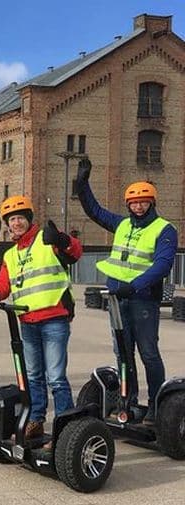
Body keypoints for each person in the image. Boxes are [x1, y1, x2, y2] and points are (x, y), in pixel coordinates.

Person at [75, 158, 177, 425]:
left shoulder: (164, 229)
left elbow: (164, 264)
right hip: (117, 299)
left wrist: (137, 285)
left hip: (143, 300)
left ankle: (156, 406)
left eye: (143, 201)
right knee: (122, 354)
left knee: (148, 353)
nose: (138, 206)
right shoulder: (121, 224)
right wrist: (82, 184)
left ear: (151, 203)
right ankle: (127, 402)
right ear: (128, 205)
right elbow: (95, 211)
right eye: (134, 202)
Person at [0, 196, 81, 440]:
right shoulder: (11, 254)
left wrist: (63, 240)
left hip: (54, 318)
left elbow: (75, 251)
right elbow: (4, 283)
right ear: (8, 225)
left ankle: (66, 426)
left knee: (55, 377)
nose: (17, 223)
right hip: (28, 322)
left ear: (29, 219)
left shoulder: (47, 239)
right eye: (12, 220)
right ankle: (36, 419)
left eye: (20, 218)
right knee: (33, 376)